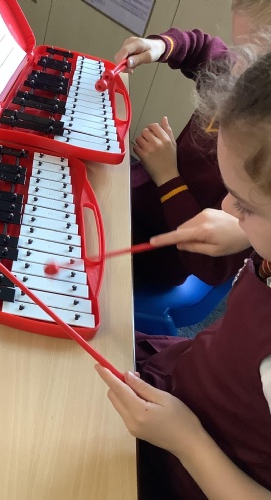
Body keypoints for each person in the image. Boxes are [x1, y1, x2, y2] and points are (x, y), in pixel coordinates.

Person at [96, 49, 271, 499]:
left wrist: (187, 441)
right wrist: (244, 230)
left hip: (184, 467)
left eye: (245, 205)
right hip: (177, 378)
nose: (225, 208)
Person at [114, 0, 271, 286]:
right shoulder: (235, 76)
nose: (234, 68)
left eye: (252, 61)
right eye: (239, 51)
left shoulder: (261, 174)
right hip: (137, 197)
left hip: (157, 254)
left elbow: (212, 265)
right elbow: (202, 47)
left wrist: (167, 177)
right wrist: (161, 47)